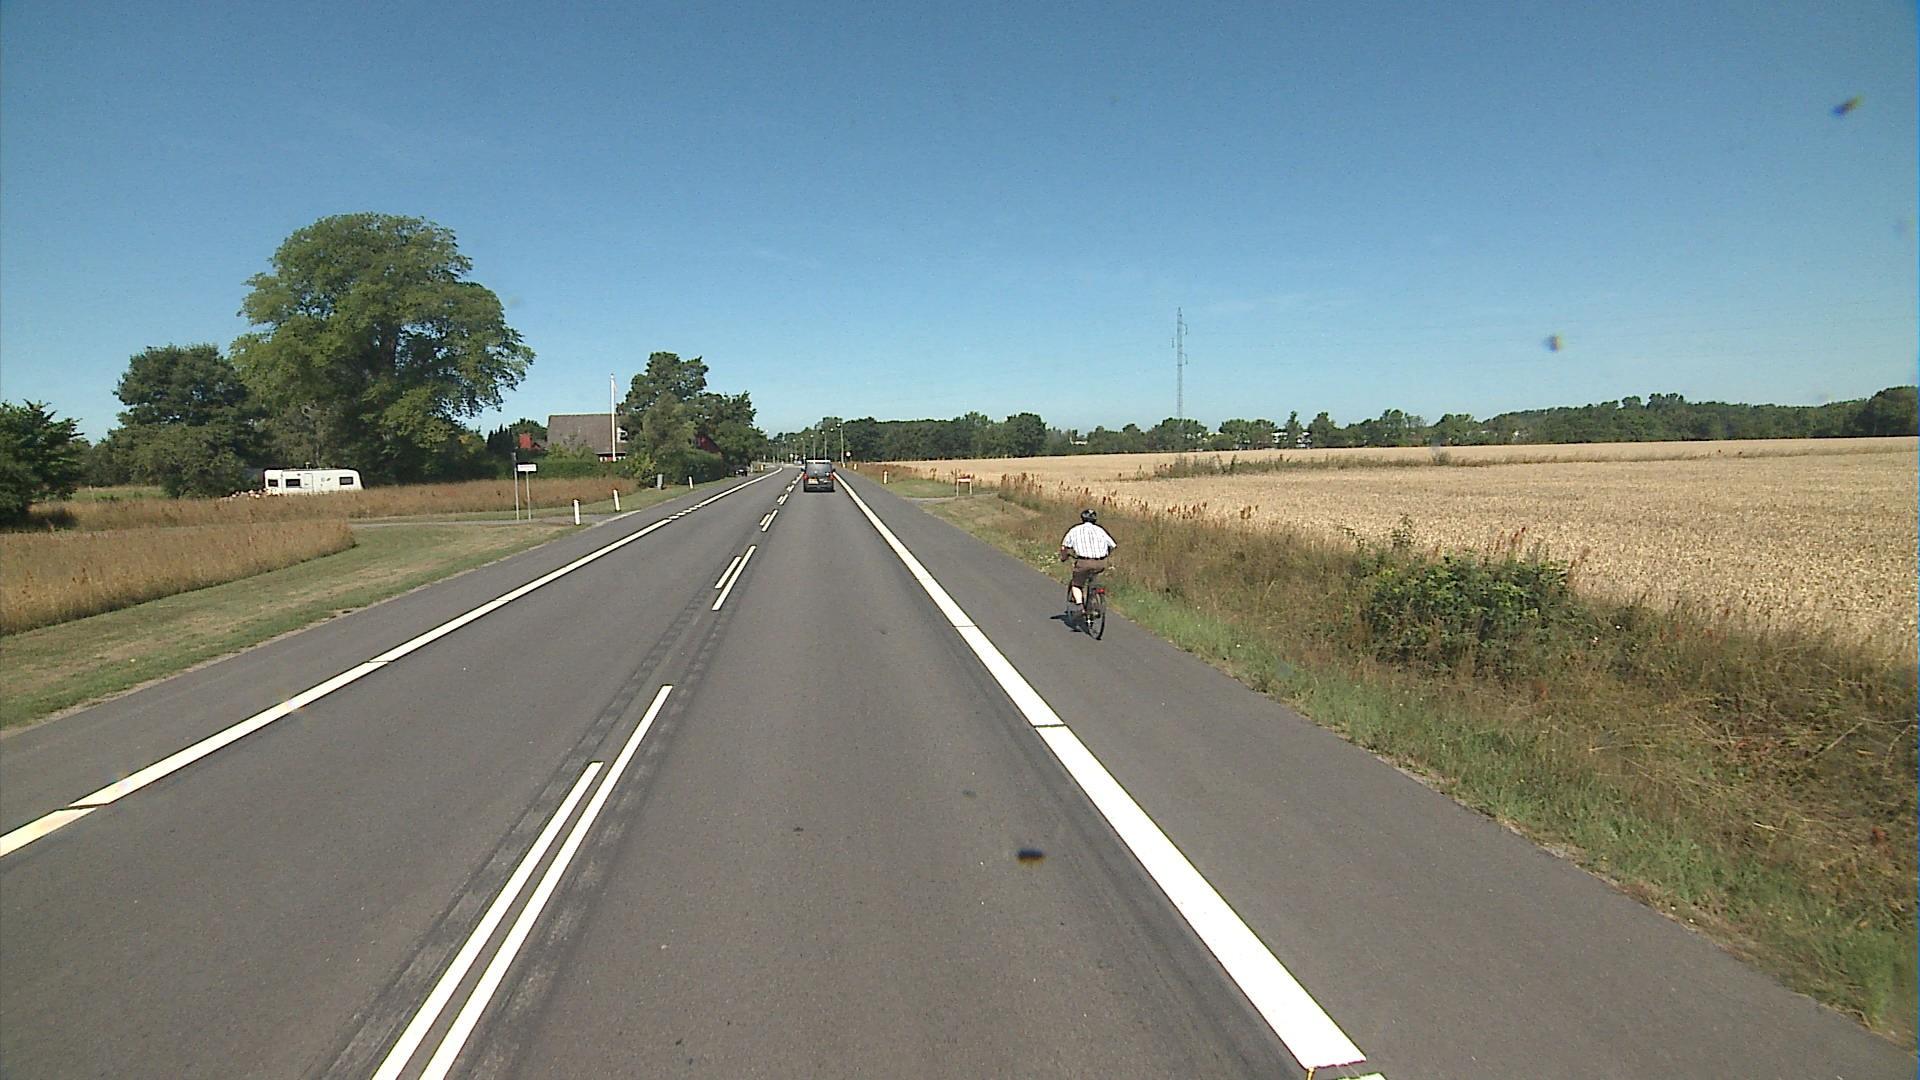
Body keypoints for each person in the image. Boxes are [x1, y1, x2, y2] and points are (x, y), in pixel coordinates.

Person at [1059, 508, 1117, 613]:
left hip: (1083, 562)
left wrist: (1064, 557)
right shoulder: (1100, 530)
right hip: (1100, 562)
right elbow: (1112, 545)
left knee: (1076, 584)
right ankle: (1094, 597)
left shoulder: (1075, 530)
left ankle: (1080, 606)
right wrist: (1106, 554)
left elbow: (1064, 546)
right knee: (1093, 577)